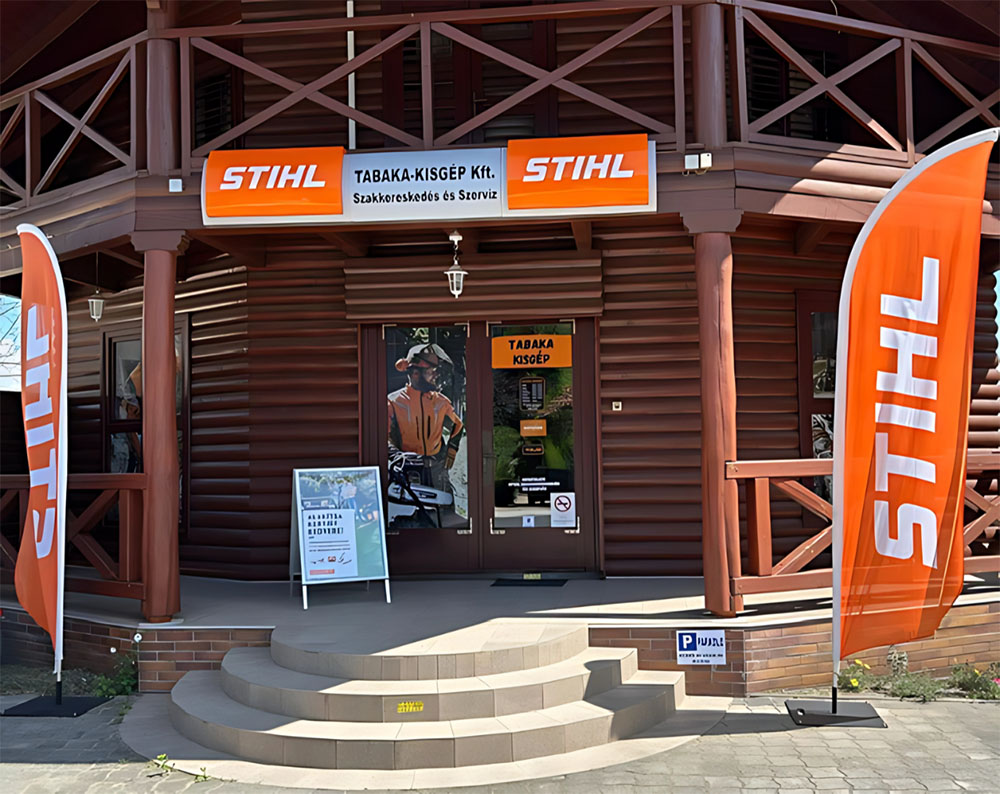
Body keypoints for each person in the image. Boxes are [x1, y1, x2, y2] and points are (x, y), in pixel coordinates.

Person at [387, 343, 464, 495]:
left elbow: (458, 425)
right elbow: (383, 437)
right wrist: (397, 456)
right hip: (407, 469)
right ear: (415, 373)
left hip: (436, 470)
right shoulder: (394, 402)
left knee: (445, 507)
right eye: (431, 372)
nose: (436, 376)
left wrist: (452, 449)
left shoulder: (441, 402)